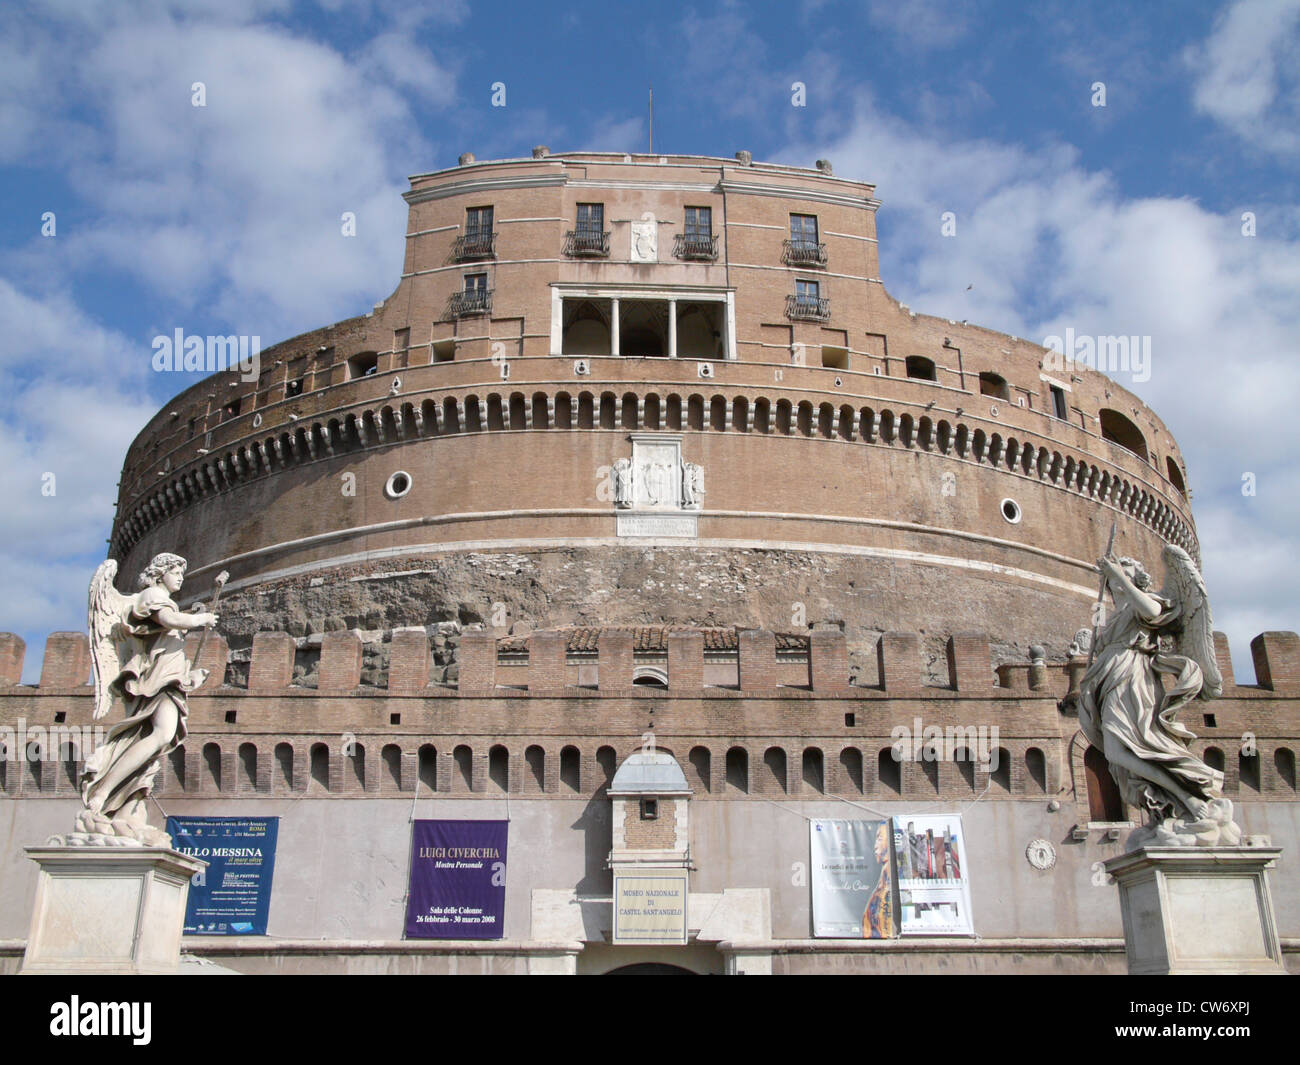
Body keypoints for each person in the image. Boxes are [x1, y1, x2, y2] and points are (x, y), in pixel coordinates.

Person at [1075, 547, 1238, 845]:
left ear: (1136, 578)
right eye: (1113, 574)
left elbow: (1152, 613)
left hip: (1134, 679)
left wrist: (1120, 578)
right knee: (1116, 752)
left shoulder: (1148, 603)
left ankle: (1192, 800)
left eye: (1125, 570)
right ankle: (1177, 802)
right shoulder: (1113, 618)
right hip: (1110, 679)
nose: (1114, 577)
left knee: (1135, 744)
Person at [79, 554, 218, 844]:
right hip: (154, 680)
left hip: (168, 676)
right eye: (176, 571)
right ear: (160, 573)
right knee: (161, 734)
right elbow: (168, 620)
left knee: (157, 743)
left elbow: (167, 643)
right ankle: (104, 791)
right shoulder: (152, 596)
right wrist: (199, 619)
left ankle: (126, 808)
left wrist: (190, 677)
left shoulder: (164, 599)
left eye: (182, 572)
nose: (180, 577)